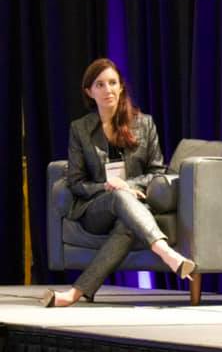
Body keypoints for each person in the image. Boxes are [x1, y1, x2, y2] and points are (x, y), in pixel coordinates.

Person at [42, 58, 196, 307]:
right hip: (95, 208)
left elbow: (157, 171)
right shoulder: (80, 129)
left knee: (126, 226)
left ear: (121, 86)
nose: (108, 90)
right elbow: (76, 181)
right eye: (99, 84)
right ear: (89, 92)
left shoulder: (144, 124)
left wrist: (129, 185)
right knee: (117, 196)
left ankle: (76, 293)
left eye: (112, 83)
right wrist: (106, 186)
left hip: (134, 206)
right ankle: (165, 251)